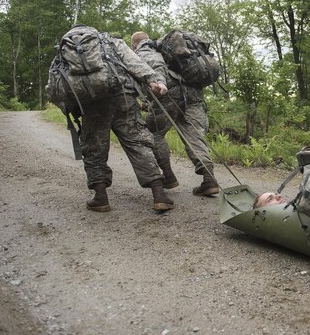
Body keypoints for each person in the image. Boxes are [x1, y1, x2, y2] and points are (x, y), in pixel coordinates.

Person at [74, 27, 174, 213]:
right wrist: (153, 80)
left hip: (92, 103)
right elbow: (133, 61)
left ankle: (101, 198)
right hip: (123, 96)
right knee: (138, 142)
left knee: (94, 148)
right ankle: (159, 195)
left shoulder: (70, 50)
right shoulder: (111, 42)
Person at [131, 31, 220, 197]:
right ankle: (209, 179)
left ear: (133, 45)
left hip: (168, 93)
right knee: (194, 134)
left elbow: (156, 68)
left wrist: (161, 86)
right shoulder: (169, 49)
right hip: (192, 92)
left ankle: (169, 176)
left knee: (155, 134)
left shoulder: (144, 50)